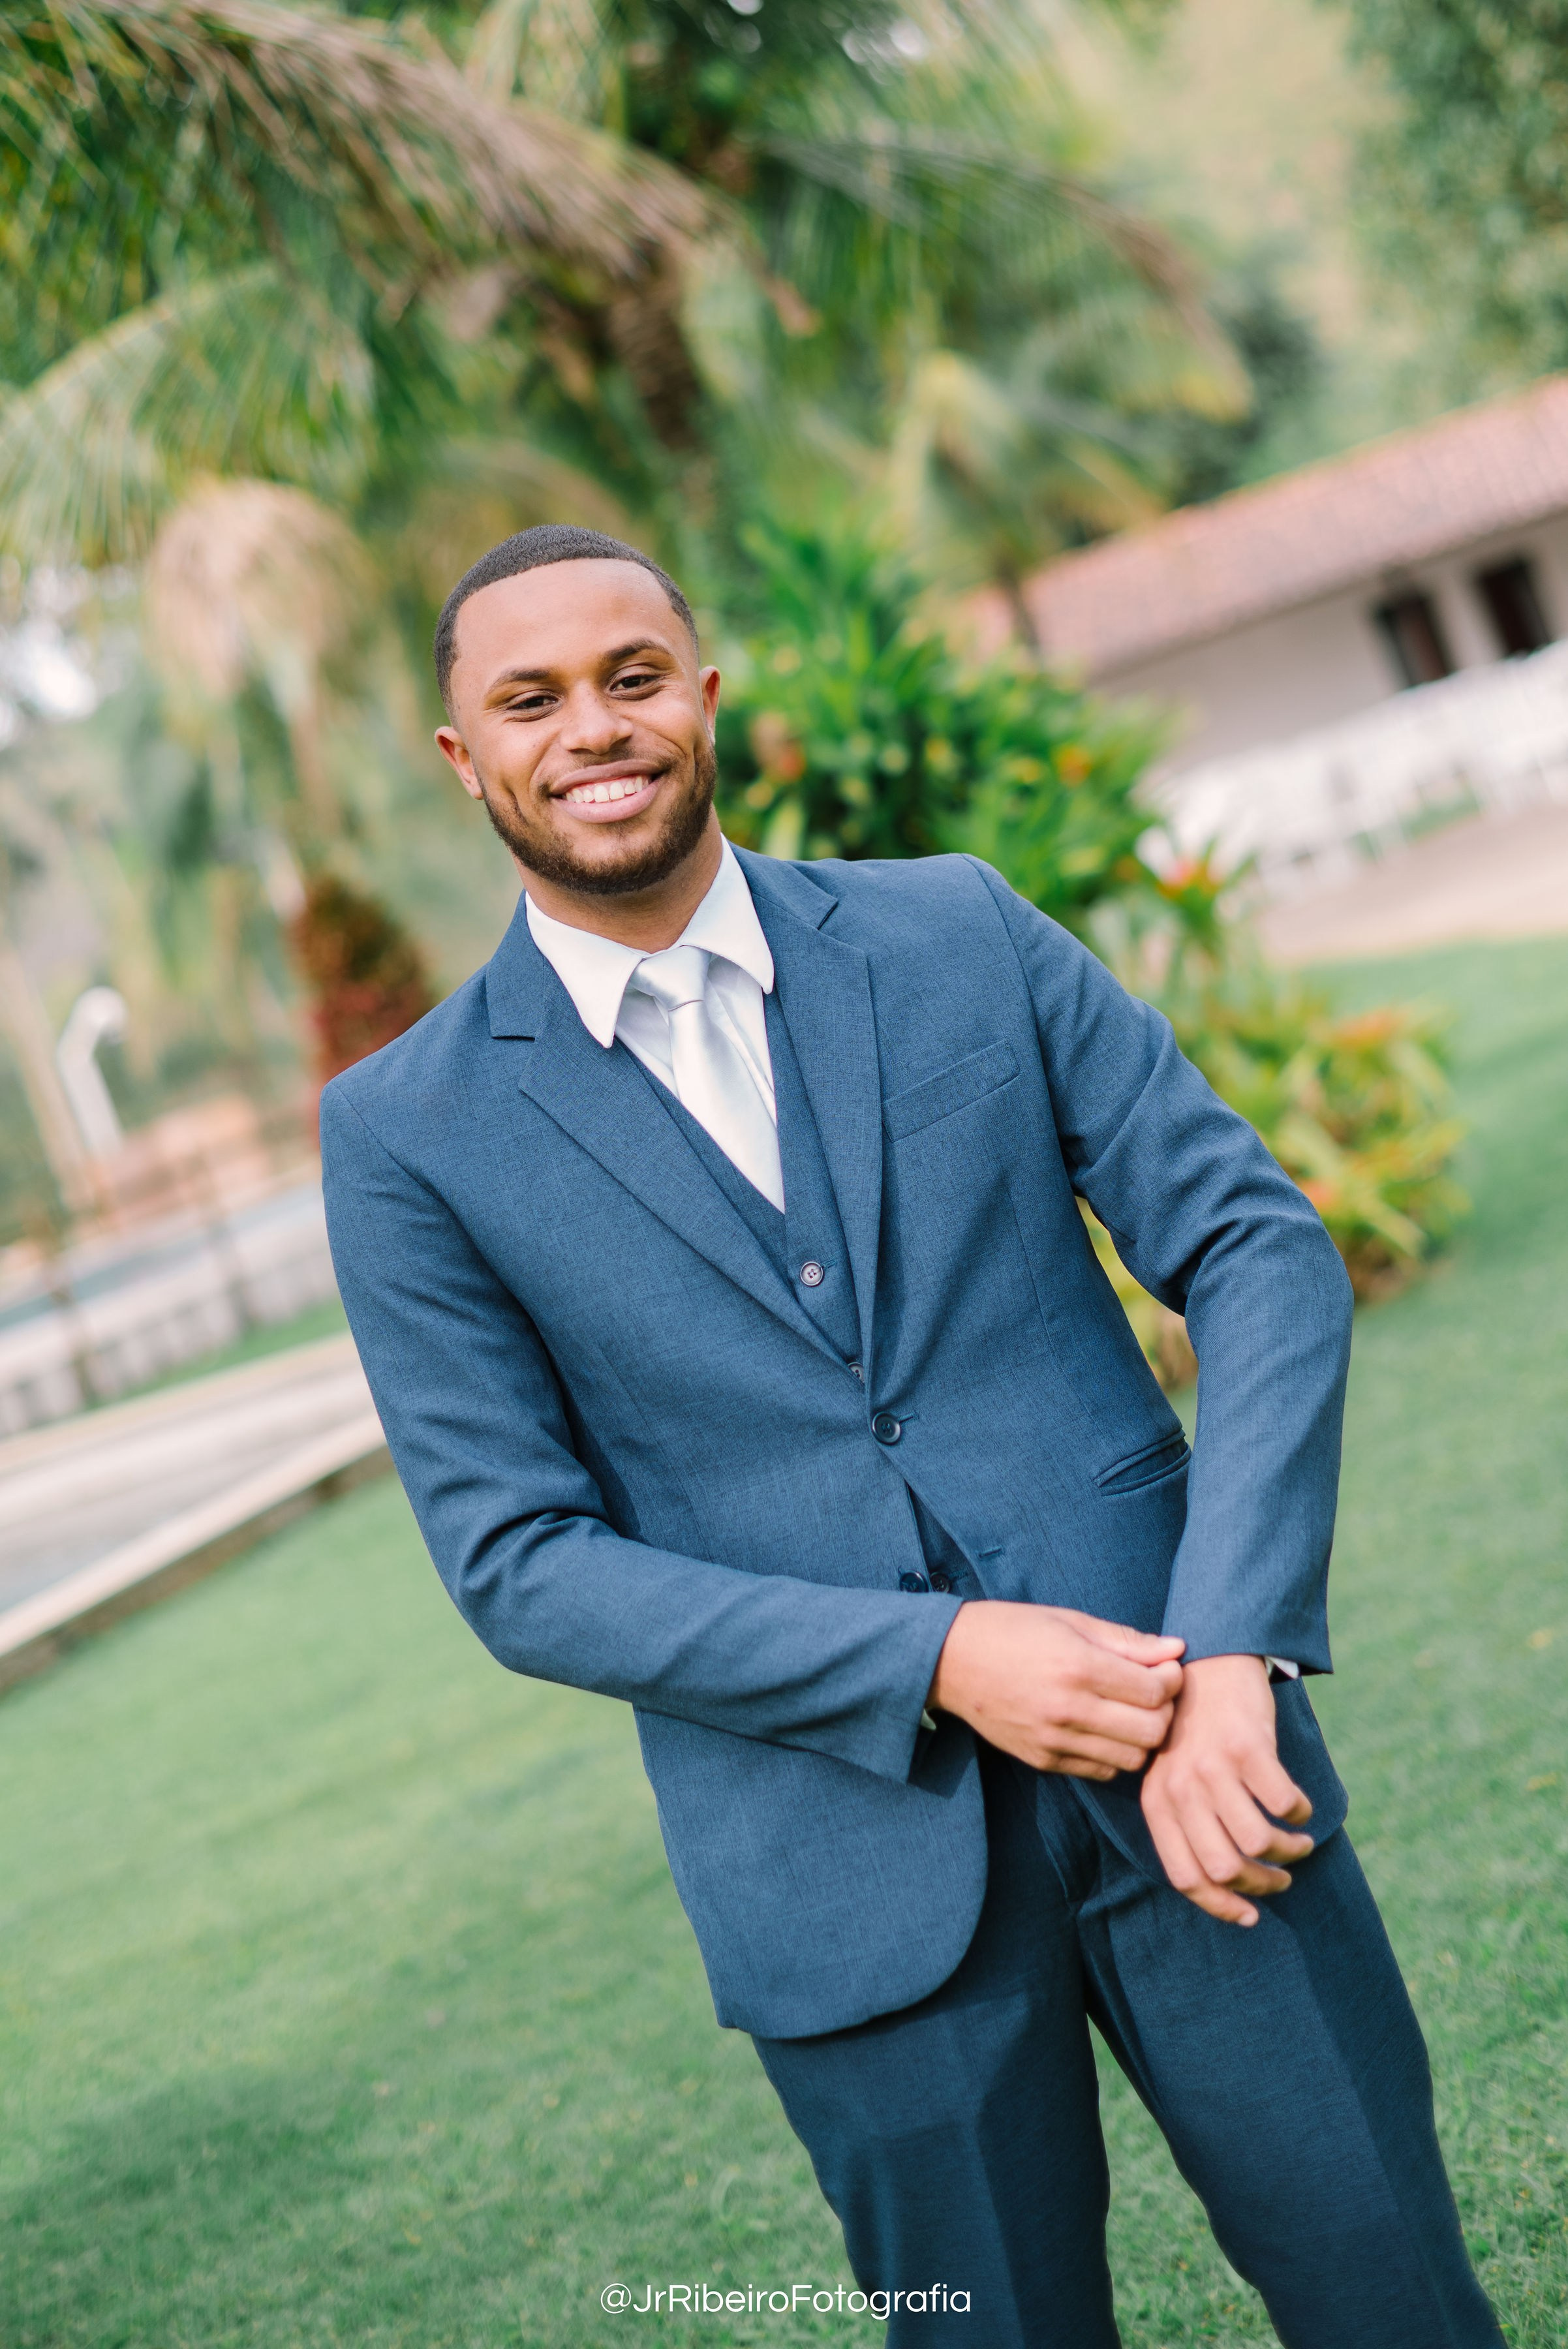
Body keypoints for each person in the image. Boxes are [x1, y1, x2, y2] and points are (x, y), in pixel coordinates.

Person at [321, 525, 1502, 2347]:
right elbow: (519, 1566)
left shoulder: (953, 927)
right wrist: (940, 1655)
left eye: (632, 676)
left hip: (1203, 1775)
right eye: (528, 698)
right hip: (840, 1886)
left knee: (1394, 2301)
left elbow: (1254, 1248)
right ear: (462, 758)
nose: (594, 728)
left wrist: (1237, 1649)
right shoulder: (407, 1132)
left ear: (702, 698)